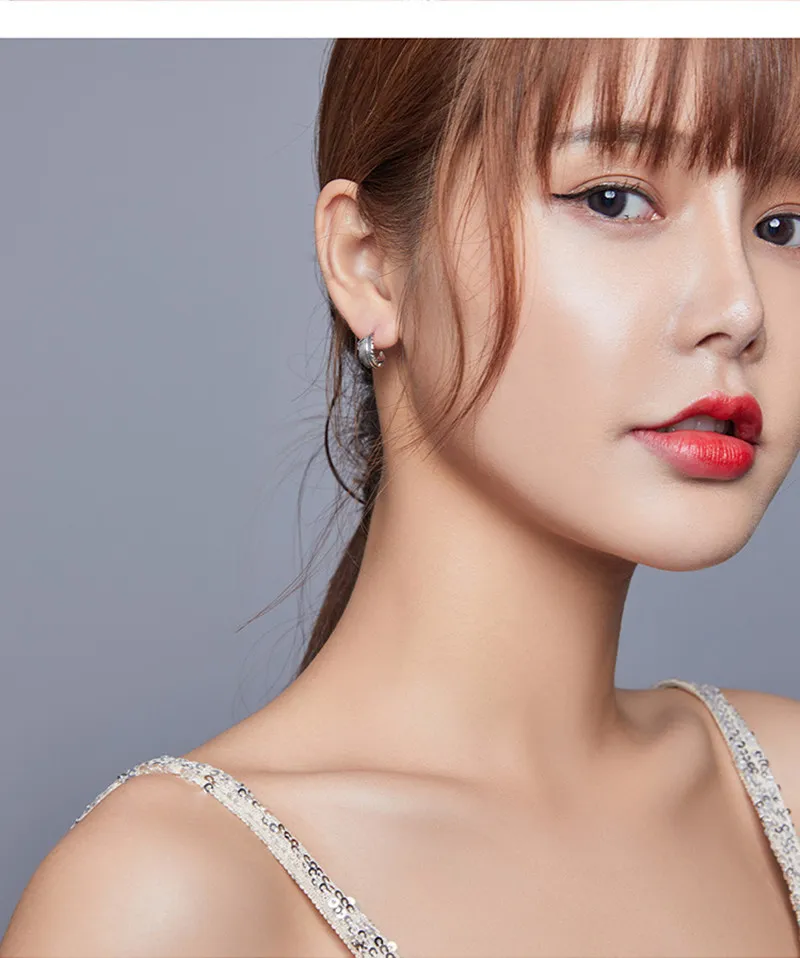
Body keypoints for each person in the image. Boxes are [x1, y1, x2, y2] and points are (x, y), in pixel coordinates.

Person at [3, 36, 800, 958]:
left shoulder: (782, 792)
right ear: (370, 261)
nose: (740, 309)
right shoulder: (173, 903)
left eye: (785, 227)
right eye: (613, 199)